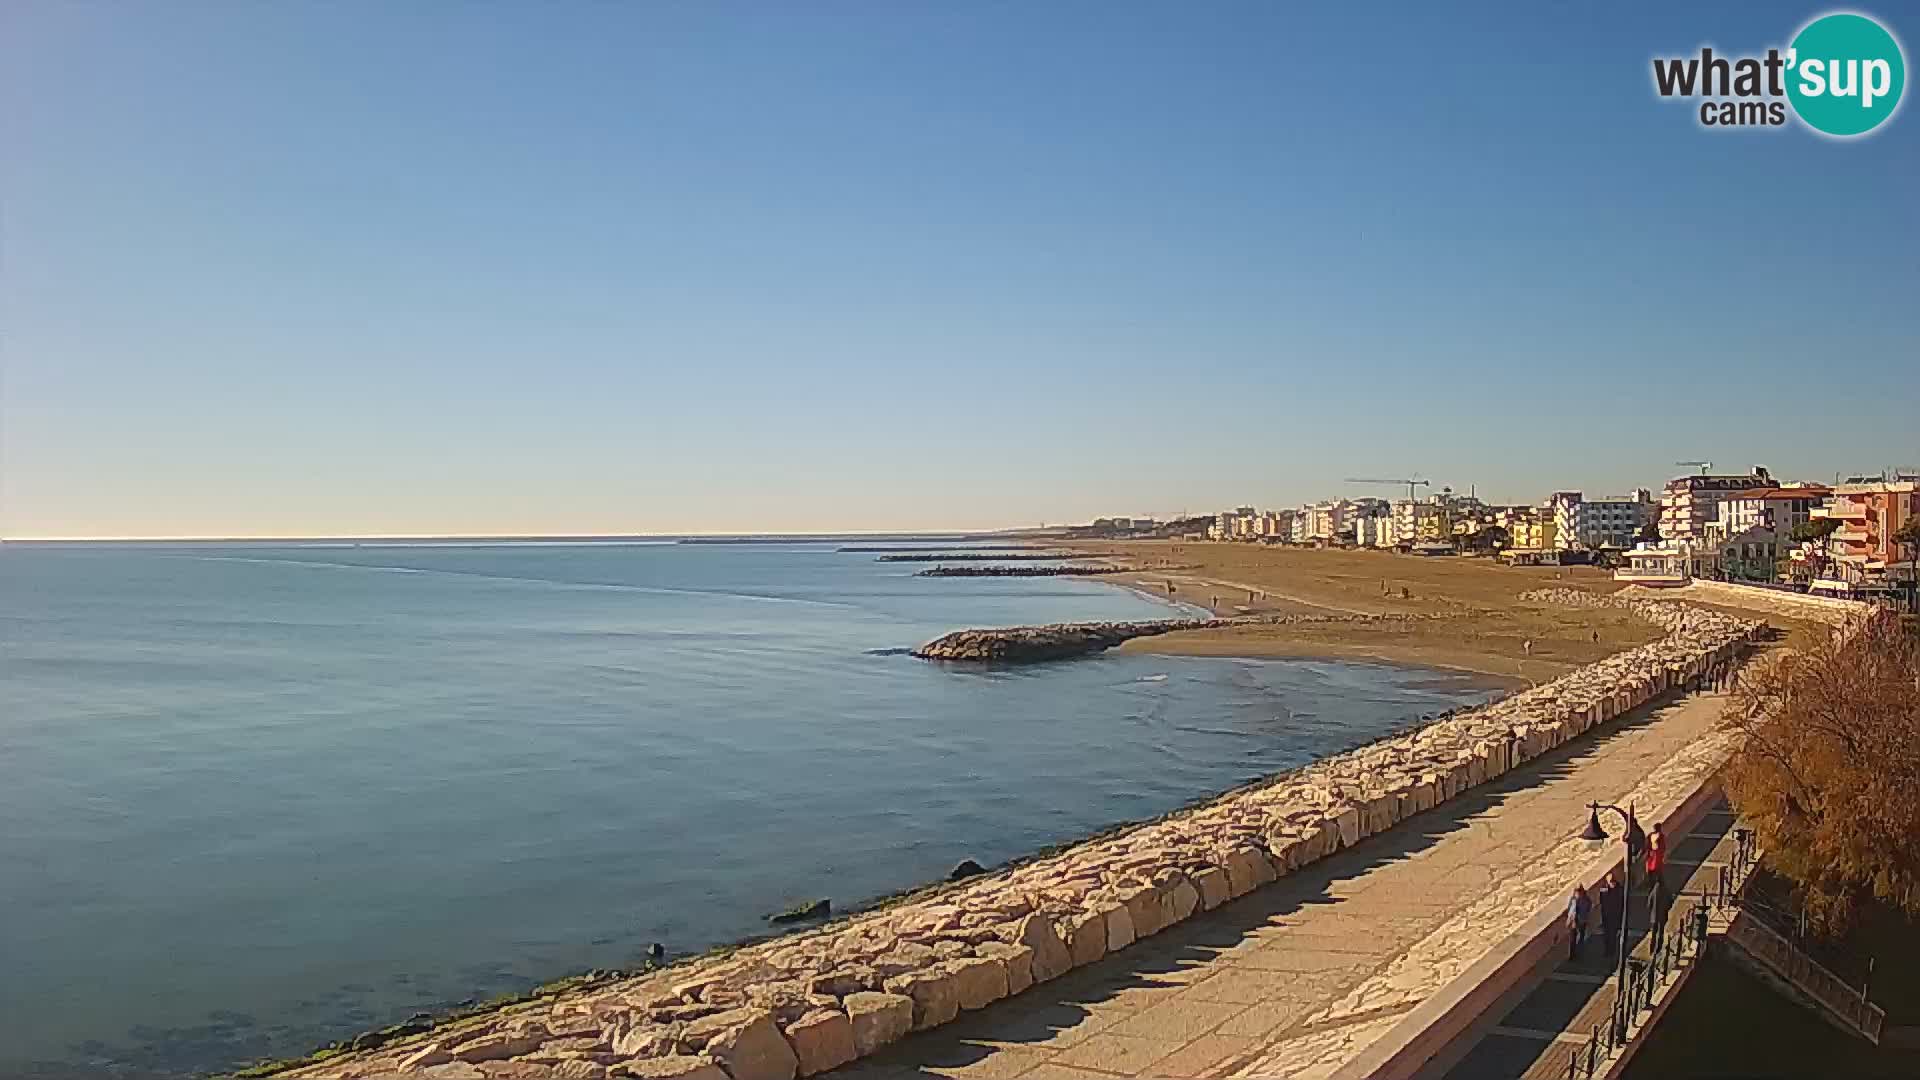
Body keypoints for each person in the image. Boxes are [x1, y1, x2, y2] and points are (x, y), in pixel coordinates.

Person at [1597, 871, 1624, 958]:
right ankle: (1607, 950)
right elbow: (1601, 902)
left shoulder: (1619, 889)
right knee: (1606, 935)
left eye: (1612, 881)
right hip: (1606, 916)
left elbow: (1621, 904)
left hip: (1615, 916)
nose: (1611, 883)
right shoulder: (1604, 890)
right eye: (1609, 882)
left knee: (1612, 935)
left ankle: (1611, 951)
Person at [1648, 873, 1674, 951]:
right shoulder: (1666, 890)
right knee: (1660, 932)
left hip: (1654, 915)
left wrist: (1652, 910)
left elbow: (1649, 903)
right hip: (1662, 915)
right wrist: (1667, 909)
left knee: (1653, 933)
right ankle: (1658, 948)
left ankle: (1651, 948)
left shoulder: (1653, 891)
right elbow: (1670, 902)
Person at [1567, 885, 1593, 960]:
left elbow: (1588, 908)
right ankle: (1573, 955)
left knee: (1580, 937)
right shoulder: (1573, 900)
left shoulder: (1585, 900)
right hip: (1574, 922)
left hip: (1581, 921)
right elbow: (1570, 910)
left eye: (1578, 893)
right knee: (1573, 939)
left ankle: (1578, 952)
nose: (1577, 894)